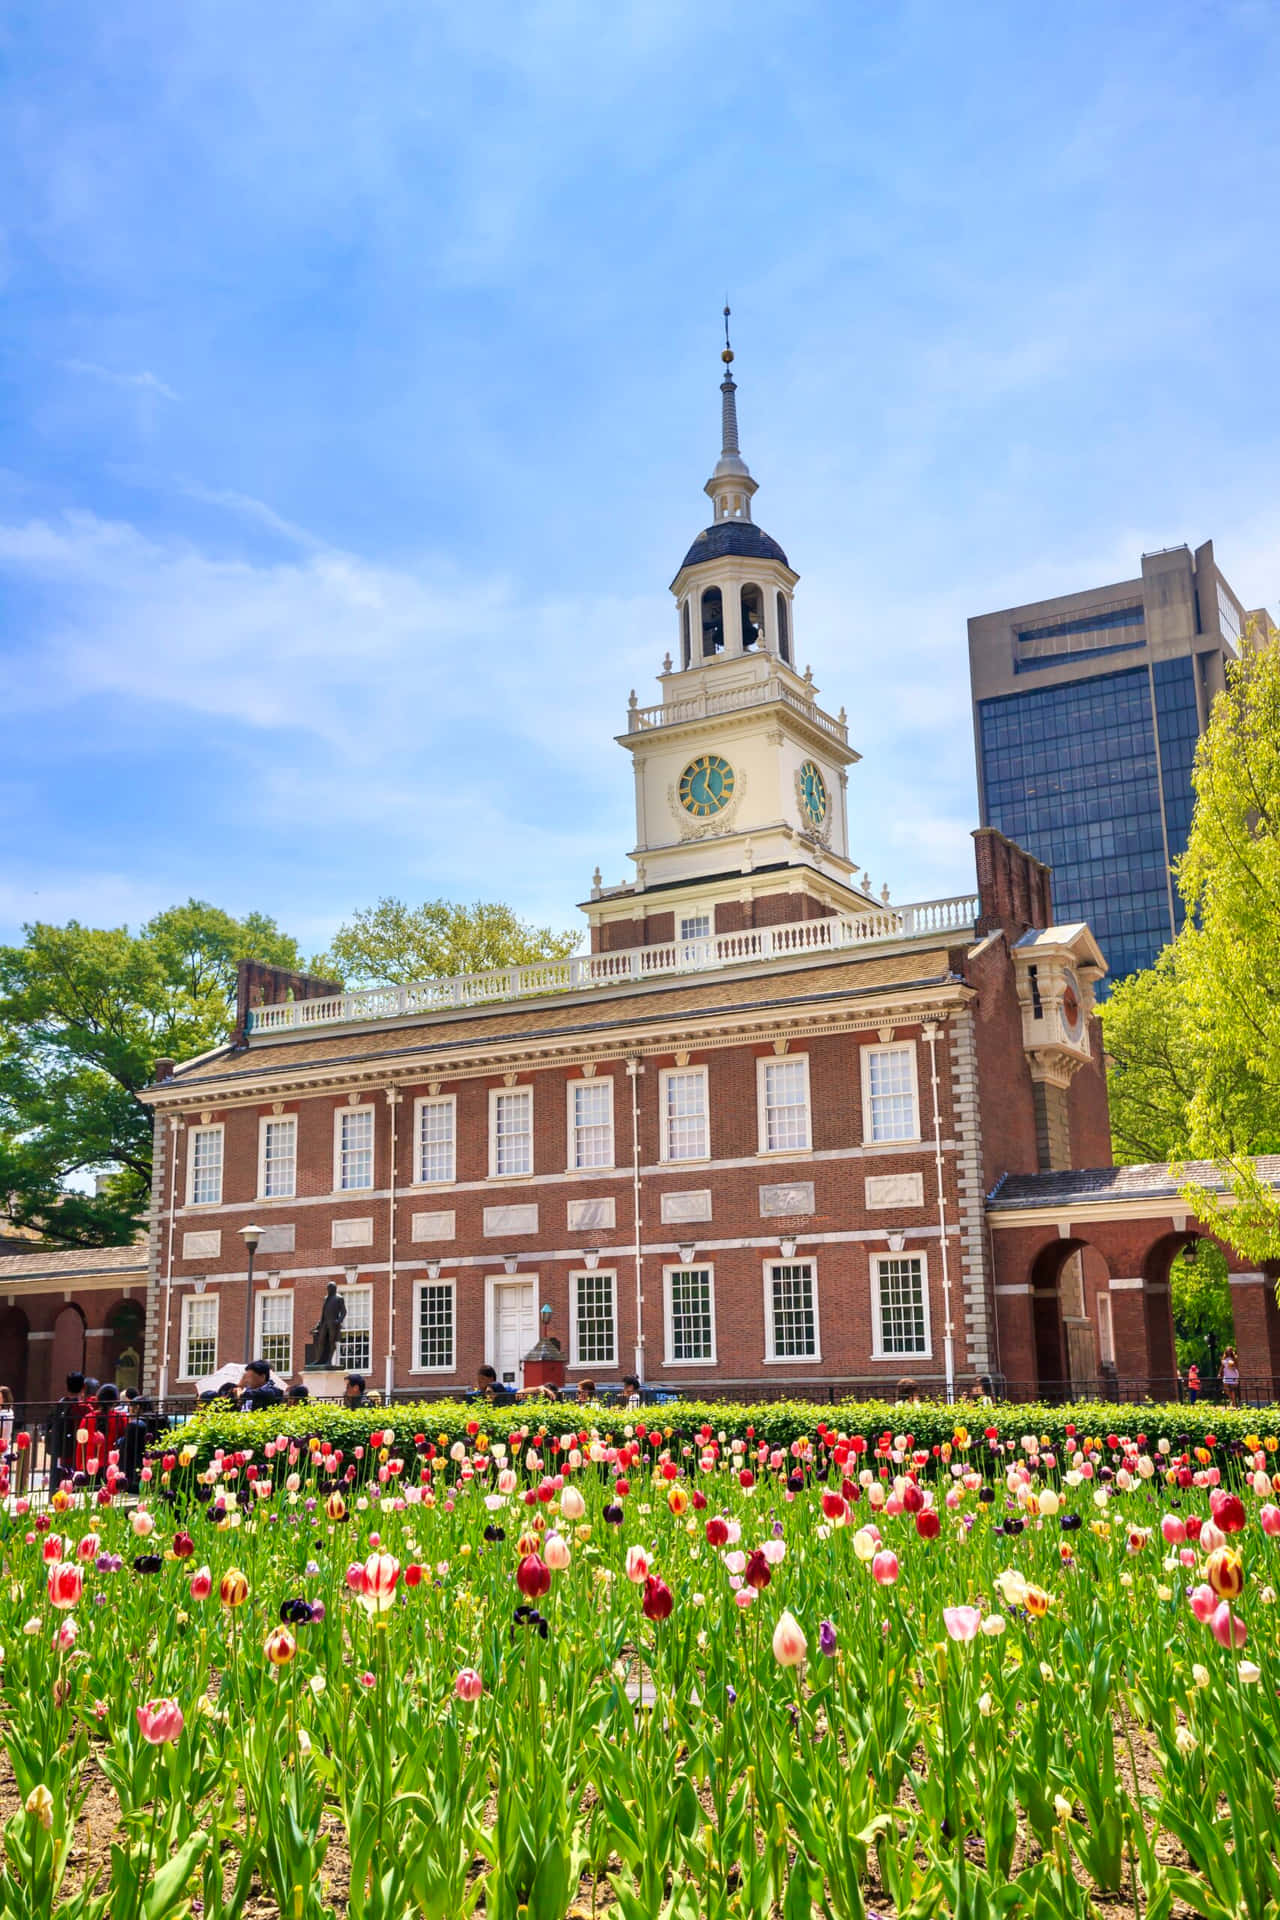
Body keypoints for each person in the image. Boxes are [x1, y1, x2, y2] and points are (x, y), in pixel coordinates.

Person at [46, 1372, 86, 1486]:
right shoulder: (83, 1408)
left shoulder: (60, 1404)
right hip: (76, 1452)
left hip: (59, 1450)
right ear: (83, 1387)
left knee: (61, 1482)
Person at [311, 1283, 346, 1369]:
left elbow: (344, 1312)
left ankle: (329, 1360)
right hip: (325, 1323)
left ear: (334, 1288)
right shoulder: (326, 1298)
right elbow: (323, 1312)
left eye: (330, 1288)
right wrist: (319, 1324)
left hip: (333, 1323)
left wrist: (338, 1321)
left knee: (331, 1342)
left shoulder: (339, 1298)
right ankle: (319, 1360)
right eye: (328, 1288)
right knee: (321, 1340)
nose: (329, 1290)